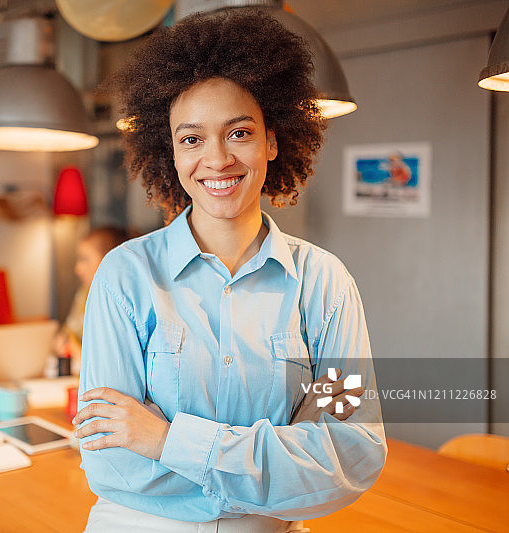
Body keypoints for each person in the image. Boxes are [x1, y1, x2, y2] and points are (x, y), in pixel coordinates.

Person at [72, 9, 387, 532]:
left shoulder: (325, 287)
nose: (216, 160)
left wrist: (165, 439)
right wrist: (277, 471)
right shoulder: (124, 278)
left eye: (238, 133)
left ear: (272, 140)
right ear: (169, 151)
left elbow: (353, 449)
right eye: (192, 139)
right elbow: (112, 462)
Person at [53, 226, 133, 369]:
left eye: (84, 259)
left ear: (108, 260)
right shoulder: (85, 293)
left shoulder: (123, 301)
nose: (77, 269)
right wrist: (65, 343)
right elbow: (67, 334)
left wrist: (77, 351)